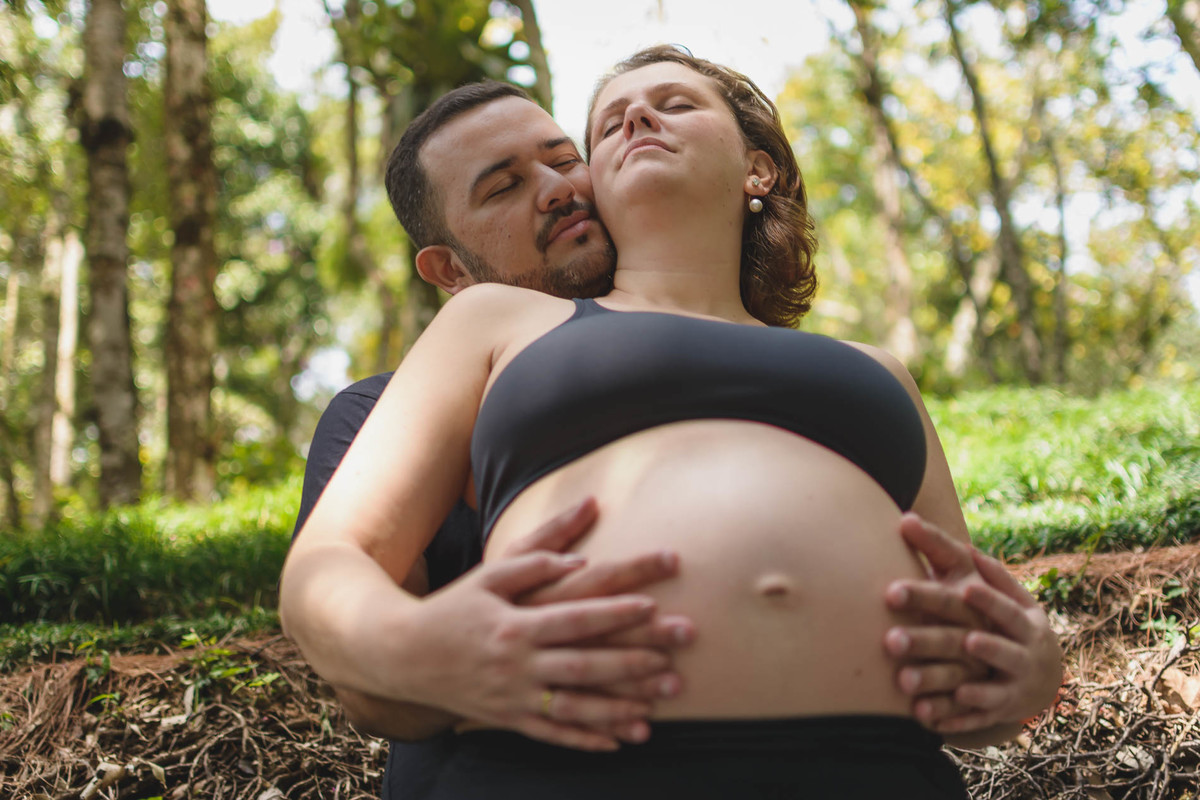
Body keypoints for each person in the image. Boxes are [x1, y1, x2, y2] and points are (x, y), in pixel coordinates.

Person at [284, 54, 1061, 798]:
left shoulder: (878, 369)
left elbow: (975, 641)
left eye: (565, 159)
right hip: (576, 769)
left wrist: (1027, 680)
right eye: (610, 123)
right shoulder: (492, 325)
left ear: (757, 169)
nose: (634, 124)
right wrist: (417, 648)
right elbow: (333, 564)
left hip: (880, 775)